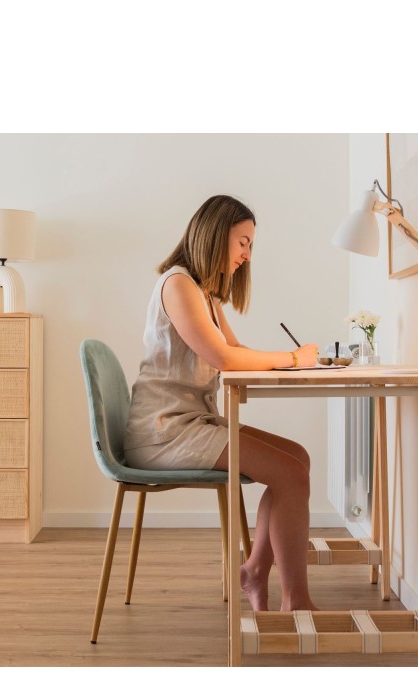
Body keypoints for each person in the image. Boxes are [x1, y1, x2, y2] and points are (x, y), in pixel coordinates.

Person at [123, 195, 319, 612]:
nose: (247, 256)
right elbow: (226, 359)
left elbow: (232, 348)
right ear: (216, 234)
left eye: (250, 246)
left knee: (296, 460)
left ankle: (254, 571)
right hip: (164, 432)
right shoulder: (178, 284)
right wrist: (291, 359)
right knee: (288, 473)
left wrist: (292, 363)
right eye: (243, 242)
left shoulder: (204, 294)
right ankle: (294, 600)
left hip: (193, 423)